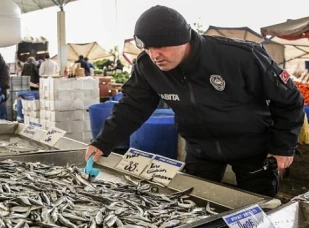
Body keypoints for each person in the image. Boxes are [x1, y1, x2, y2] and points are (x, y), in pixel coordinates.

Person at [85, 5, 304, 197]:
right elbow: (132, 106)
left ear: (184, 39)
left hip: (253, 148)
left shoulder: (241, 56)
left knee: (258, 205)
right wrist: (103, 143)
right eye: (148, 48)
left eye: (161, 46)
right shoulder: (147, 67)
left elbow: (290, 99)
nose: (155, 55)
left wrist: (283, 147)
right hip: (201, 150)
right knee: (195, 203)